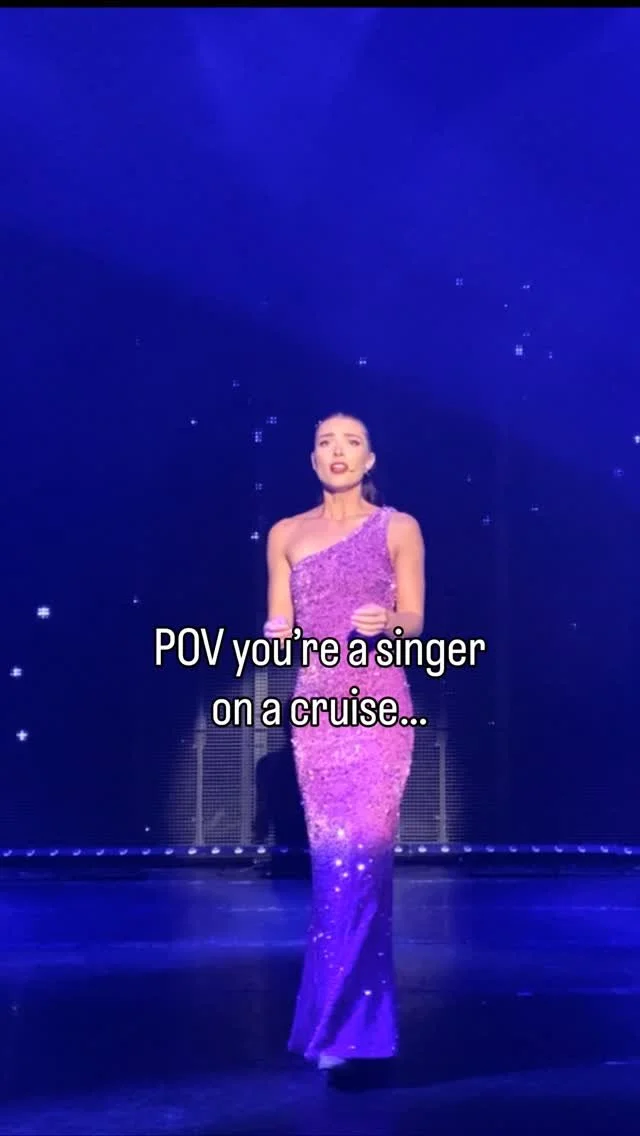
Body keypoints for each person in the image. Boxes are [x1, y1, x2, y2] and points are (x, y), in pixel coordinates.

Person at [263, 412, 425, 1078]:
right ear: (312, 459)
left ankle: (354, 1032)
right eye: (326, 442)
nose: (338, 451)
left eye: (351, 442)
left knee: (365, 868)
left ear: (369, 459)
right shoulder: (285, 533)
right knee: (334, 870)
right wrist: (276, 630)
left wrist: (389, 620)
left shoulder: (399, 527)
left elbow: (415, 620)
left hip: (379, 707)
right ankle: (336, 1025)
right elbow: (280, 617)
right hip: (319, 713)